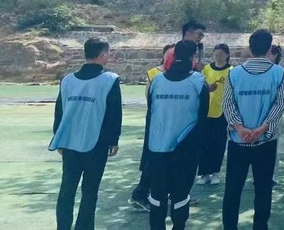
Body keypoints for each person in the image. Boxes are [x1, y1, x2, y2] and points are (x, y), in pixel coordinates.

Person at [50, 37, 122, 230]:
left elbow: (59, 112)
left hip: (69, 142)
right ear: (103, 54)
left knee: (67, 188)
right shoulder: (110, 80)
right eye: (108, 52)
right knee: (90, 191)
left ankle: (63, 226)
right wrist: (113, 140)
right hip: (96, 143)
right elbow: (114, 113)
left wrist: (58, 138)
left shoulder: (67, 80)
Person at [222, 29, 284, 230]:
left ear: (249, 48)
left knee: (233, 189)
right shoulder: (279, 73)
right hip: (266, 140)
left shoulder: (234, 73)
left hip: (238, 141)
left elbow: (227, 104)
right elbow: (280, 104)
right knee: (263, 189)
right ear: (269, 48)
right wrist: (262, 128)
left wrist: (240, 128)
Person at [145, 39, 209, 230]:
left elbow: (151, 113)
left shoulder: (156, 81)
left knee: (157, 195)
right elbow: (203, 119)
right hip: (185, 150)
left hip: (157, 149)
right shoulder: (199, 81)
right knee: (180, 195)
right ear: (193, 57)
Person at [130, 44, 174, 212]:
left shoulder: (181, 77)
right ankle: (140, 194)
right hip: (158, 124)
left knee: (162, 161)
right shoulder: (156, 75)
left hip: (169, 124)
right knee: (154, 160)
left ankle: (161, 194)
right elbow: (150, 100)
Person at [197, 43, 232, 186]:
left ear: (227, 55)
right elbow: (200, 86)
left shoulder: (231, 71)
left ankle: (215, 172)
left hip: (222, 112)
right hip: (206, 111)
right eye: (216, 54)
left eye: (221, 54)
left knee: (218, 143)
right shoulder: (206, 69)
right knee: (204, 143)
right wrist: (207, 88)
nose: (218, 57)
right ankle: (204, 173)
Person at [268, 43, 284, 186]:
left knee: (273, 143)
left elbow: (281, 98)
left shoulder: (281, 72)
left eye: (270, 53)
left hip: (274, 113)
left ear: (275, 55)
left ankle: (273, 174)